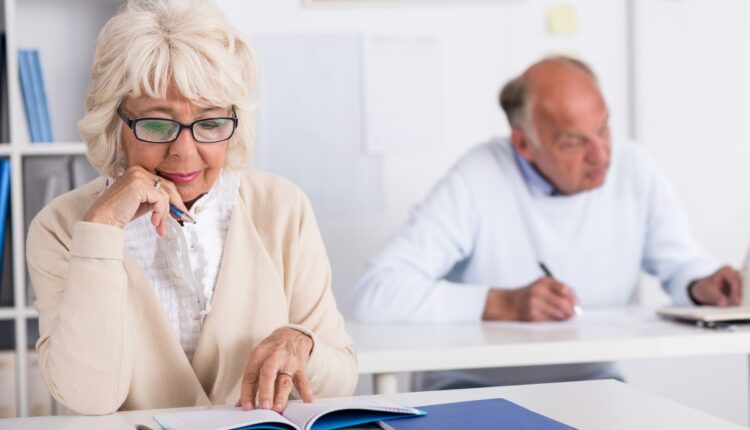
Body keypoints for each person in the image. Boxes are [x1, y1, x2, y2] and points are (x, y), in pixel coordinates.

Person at [26, 0, 356, 415]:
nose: (184, 152)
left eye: (211, 123)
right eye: (157, 125)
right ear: (115, 124)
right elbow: (88, 397)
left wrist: (302, 343)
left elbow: (341, 376)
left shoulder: (282, 207)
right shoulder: (62, 226)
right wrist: (103, 230)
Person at [351, 56, 740, 389]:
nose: (601, 154)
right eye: (574, 142)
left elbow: (680, 263)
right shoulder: (480, 176)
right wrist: (502, 302)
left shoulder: (634, 167)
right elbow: (376, 293)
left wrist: (700, 283)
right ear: (524, 144)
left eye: (603, 129)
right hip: (472, 387)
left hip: (592, 384)